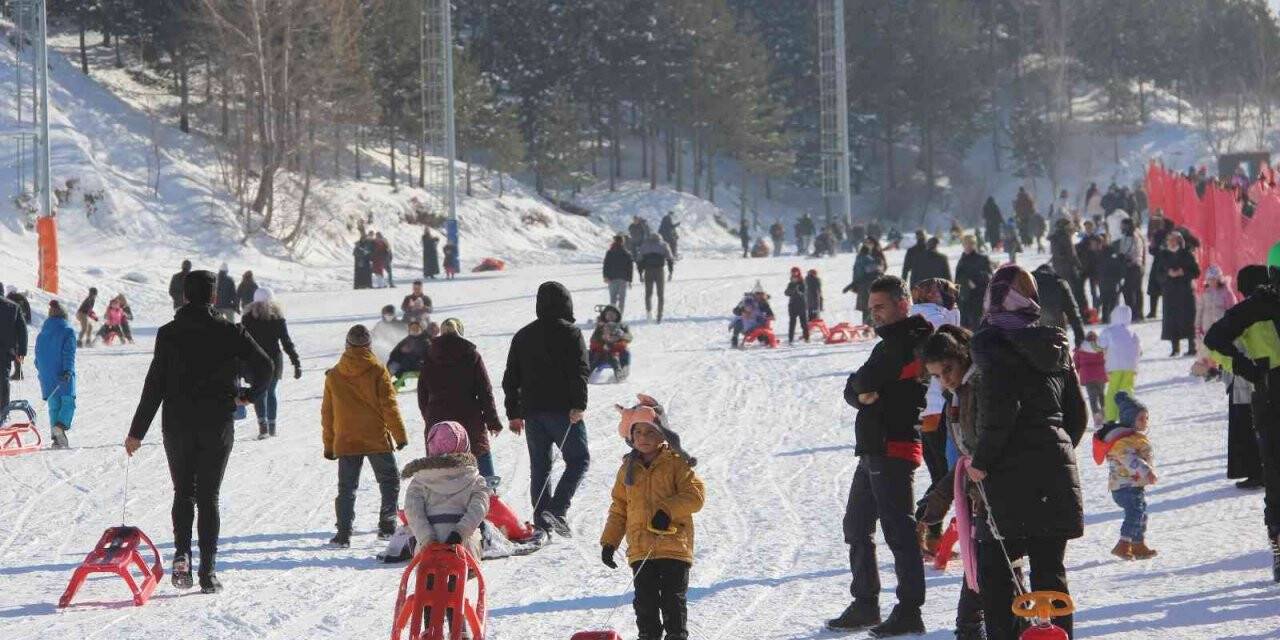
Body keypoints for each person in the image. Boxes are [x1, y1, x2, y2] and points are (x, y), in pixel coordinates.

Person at [125, 270, 273, 594]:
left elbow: (154, 385)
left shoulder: (168, 334)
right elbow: (266, 367)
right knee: (208, 497)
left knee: (183, 492)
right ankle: (208, 572)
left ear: (184, 296)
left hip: (177, 423)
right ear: (214, 297)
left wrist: (137, 432)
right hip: (216, 423)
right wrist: (248, 395)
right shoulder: (230, 330)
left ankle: (181, 555)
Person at [968, 265, 1087, 640]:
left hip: (1008, 475)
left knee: (997, 572)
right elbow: (1078, 416)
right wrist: (1054, 446)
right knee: (1051, 572)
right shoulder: (1053, 346)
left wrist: (981, 461)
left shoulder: (992, 347)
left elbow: (1000, 414)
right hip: (1054, 468)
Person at [828, 275, 932, 636]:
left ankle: (909, 610)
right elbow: (855, 385)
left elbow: (866, 380)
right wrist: (861, 393)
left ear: (902, 304)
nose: (875, 315)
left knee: (899, 531)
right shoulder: (887, 344)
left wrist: (864, 389)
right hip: (872, 448)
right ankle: (866, 603)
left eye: (881, 307)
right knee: (856, 526)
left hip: (896, 445)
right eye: (871, 308)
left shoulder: (913, 341)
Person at [602, 395, 705, 640]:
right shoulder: (627, 468)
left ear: (663, 435)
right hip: (640, 548)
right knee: (645, 602)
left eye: (650, 433)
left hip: (673, 545)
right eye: (638, 433)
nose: (644, 438)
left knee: (672, 599)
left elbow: (695, 496)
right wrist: (609, 542)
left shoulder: (677, 463)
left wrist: (667, 510)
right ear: (631, 436)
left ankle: (676, 636)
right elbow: (619, 508)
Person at [1204, 265, 1280, 583]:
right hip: (1272, 394)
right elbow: (1215, 339)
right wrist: (1249, 369)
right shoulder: (1255, 307)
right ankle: (1277, 544)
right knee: (1275, 472)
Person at [502, 282, 590, 540]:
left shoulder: (523, 335)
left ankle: (542, 523)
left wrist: (514, 413)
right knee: (579, 459)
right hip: (563, 411)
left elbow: (511, 378)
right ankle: (557, 509)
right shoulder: (571, 333)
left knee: (540, 467)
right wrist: (579, 405)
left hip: (532, 413)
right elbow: (579, 372)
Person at [918, 325, 985, 640]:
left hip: (997, 499)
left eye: (948, 369)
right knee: (985, 572)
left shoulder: (979, 389)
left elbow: (980, 453)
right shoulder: (955, 397)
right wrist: (937, 501)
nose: (945, 378)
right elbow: (962, 461)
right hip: (978, 497)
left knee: (988, 572)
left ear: (963, 357)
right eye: (937, 375)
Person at [321, 324, 409, 548]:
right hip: (375, 437)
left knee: (347, 488)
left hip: (346, 439)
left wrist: (329, 445)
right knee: (389, 480)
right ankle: (387, 526)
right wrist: (399, 436)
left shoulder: (334, 375)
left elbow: (327, 414)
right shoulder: (378, 371)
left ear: (347, 346)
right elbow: (389, 406)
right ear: (369, 345)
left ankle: (343, 534)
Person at [910, 278, 961, 553]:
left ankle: (931, 536)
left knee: (941, 474)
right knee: (946, 476)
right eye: (949, 294)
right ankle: (922, 527)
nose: (954, 298)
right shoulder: (937, 322)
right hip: (939, 406)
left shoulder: (919, 319)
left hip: (927, 410)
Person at [419, 318, 504, 482]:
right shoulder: (471, 355)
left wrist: (429, 416)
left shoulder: (429, 356)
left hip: (437, 420)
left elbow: (422, 394)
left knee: (439, 468)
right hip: (468, 419)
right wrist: (492, 421)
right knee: (480, 457)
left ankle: (440, 502)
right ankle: (489, 496)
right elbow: (484, 391)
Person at [402, 420, 491, 569]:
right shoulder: (474, 478)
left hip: (428, 551)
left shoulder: (420, 480)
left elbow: (413, 511)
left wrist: (427, 539)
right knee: (480, 533)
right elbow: (479, 508)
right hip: (464, 549)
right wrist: (459, 534)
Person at [1093, 392, 1158, 560]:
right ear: (1130, 420)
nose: (1145, 422)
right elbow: (1130, 459)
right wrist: (1147, 471)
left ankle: (1138, 544)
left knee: (1141, 514)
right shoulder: (1123, 442)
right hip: (1124, 487)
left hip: (1134, 485)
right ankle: (1123, 544)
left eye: (1146, 418)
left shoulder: (1134, 438)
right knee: (1135, 512)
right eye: (1141, 419)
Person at [241, 288, 302, 439]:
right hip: (274, 361)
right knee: (271, 392)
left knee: (259, 393)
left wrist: (238, 365)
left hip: (254, 361)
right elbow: (286, 342)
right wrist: (296, 362)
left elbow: (241, 343)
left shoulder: (247, 318)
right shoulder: (277, 318)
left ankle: (263, 428)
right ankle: (272, 426)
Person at [35, 300, 76, 449]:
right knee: (68, 402)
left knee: (54, 406)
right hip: (63, 374)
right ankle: (60, 427)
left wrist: (41, 370)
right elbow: (68, 354)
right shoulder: (68, 331)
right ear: (64, 316)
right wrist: (68, 370)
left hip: (46, 375)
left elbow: (37, 355)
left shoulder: (42, 334)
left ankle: (57, 440)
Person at [1160, 232, 1200, 356]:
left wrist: (1183, 272)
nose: (1170, 242)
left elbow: (1196, 272)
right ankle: (1174, 348)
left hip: (1185, 292)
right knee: (1172, 319)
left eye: (1173, 240)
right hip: (1170, 292)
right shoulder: (1163, 255)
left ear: (1178, 241)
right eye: (1169, 240)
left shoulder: (1186, 254)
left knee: (1188, 319)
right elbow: (1157, 273)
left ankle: (1192, 347)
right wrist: (1168, 274)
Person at [1099, 304, 1141, 422]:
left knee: (1113, 391)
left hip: (1115, 366)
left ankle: (1111, 417)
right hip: (1131, 367)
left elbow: (1101, 344)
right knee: (1127, 392)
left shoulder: (1109, 331)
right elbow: (1139, 349)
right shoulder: (1132, 333)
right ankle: (1127, 416)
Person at [1031, 263, 1085, 346]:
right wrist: (1080, 339)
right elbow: (1073, 313)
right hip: (1057, 332)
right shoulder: (1060, 283)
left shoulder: (1027, 284)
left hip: (1034, 334)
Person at [844, 238, 887, 325]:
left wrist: (853, 284)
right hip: (867, 285)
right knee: (869, 307)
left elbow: (859, 273)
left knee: (868, 308)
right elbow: (873, 273)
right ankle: (870, 326)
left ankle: (869, 326)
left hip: (864, 285)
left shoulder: (861, 258)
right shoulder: (866, 259)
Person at [955, 235, 992, 330]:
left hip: (979, 298)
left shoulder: (982, 258)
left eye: (970, 244)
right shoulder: (961, 260)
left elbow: (990, 277)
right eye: (965, 244)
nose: (968, 246)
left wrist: (975, 281)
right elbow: (957, 280)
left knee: (978, 327)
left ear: (974, 245)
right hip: (964, 300)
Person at [1049, 218, 1086, 314]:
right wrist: (1080, 266)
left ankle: (1063, 314)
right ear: (1065, 226)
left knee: (1061, 292)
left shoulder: (1054, 238)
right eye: (1069, 225)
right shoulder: (1065, 237)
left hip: (1058, 268)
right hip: (1069, 269)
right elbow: (1072, 254)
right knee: (1075, 292)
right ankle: (1078, 313)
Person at [589, 305, 633, 380]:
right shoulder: (600, 327)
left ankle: (621, 373)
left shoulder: (622, 326)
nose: (610, 316)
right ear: (605, 315)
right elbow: (593, 339)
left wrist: (622, 335)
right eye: (608, 314)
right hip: (601, 351)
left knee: (622, 354)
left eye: (613, 315)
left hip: (616, 350)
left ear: (617, 316)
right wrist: (601, 337)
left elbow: (629, 338)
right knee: (593, 356)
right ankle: (587, 374)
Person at [638, 233, 675, 323]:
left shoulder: (645, 245)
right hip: (659, 271)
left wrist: (640, 274)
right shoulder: (663, 245)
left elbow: (640, 260)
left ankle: (648, 313)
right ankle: (659, 315)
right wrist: (670, 271)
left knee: (648, 294)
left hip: (648, 271)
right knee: (660, 295)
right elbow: (670, 259)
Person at [1074, 331, 1108, 427]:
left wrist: (1075, 374)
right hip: (1100, 375)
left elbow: (1075, 363)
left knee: (1093, 398)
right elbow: (1107, 359)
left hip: (1088, 377)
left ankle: (1097, 418)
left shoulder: (1080, 349)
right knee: (1101, 395)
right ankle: (1104, 414)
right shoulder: (1101, 348)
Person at [0, 290, 26, 410]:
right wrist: (22, 351)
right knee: (3, 379)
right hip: (5, 350)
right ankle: (3, 410)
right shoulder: (14, 307)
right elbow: (22, 331)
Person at [388, 320, 430, 389]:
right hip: (405, 364)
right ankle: (386, 382)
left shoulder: (426, 340)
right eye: (412, 328)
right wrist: (401, 351)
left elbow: (427, 354)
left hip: (419, 365)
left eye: (416, 328)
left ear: (421, 329)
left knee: (400, 364)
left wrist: (412, 354)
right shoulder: (407, 340)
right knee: (392, 365)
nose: (414, 330)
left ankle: (398, 382)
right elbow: (393, 353)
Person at [730, 284, 775, 348]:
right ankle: (735, 339)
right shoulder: (746, 301)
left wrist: (770, 316)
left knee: (761, 332)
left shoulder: (764, 302)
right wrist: (743, 311)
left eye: (761, 294)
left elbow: (770, 313)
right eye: (757, 294)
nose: (759, 296)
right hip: (746, 323)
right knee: (738, 323)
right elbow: (735, 310)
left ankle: (764, 340)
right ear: (754, 294)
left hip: (758, 323)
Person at [603, 235, 635, 316]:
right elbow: (630, 268)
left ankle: (612, 316)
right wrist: (630, 280)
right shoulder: (627, 253)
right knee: (622, 299)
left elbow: (606, 265)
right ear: (623, 242)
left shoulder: (610, 252)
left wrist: (605, 276)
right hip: (623, 279)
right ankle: (620, 316)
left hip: (612, 278)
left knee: (613, 299)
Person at [1076, 229, 1102, 312]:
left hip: (1093, 272)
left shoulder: (1099, 251)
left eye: (1095, 244)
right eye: (1092, 243)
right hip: (1085, 271)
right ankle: (1086, 309)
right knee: (1081, 290)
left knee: (1094, 292)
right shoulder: (1083, 247)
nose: (1094, 245)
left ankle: (1096, 309)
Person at [784, 267, 810, 345]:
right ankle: (790, 339)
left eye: (795, 272)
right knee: (792, 323)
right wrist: (792, 289)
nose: (794, 274)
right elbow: (786, 293)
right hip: (792, 306)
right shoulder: (790, 283)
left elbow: (804, 293)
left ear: (799, 273)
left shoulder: (802, 282)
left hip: (801, 305)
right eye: (793, 272)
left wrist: (797, 291)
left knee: (804, 323)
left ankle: (807, 338)